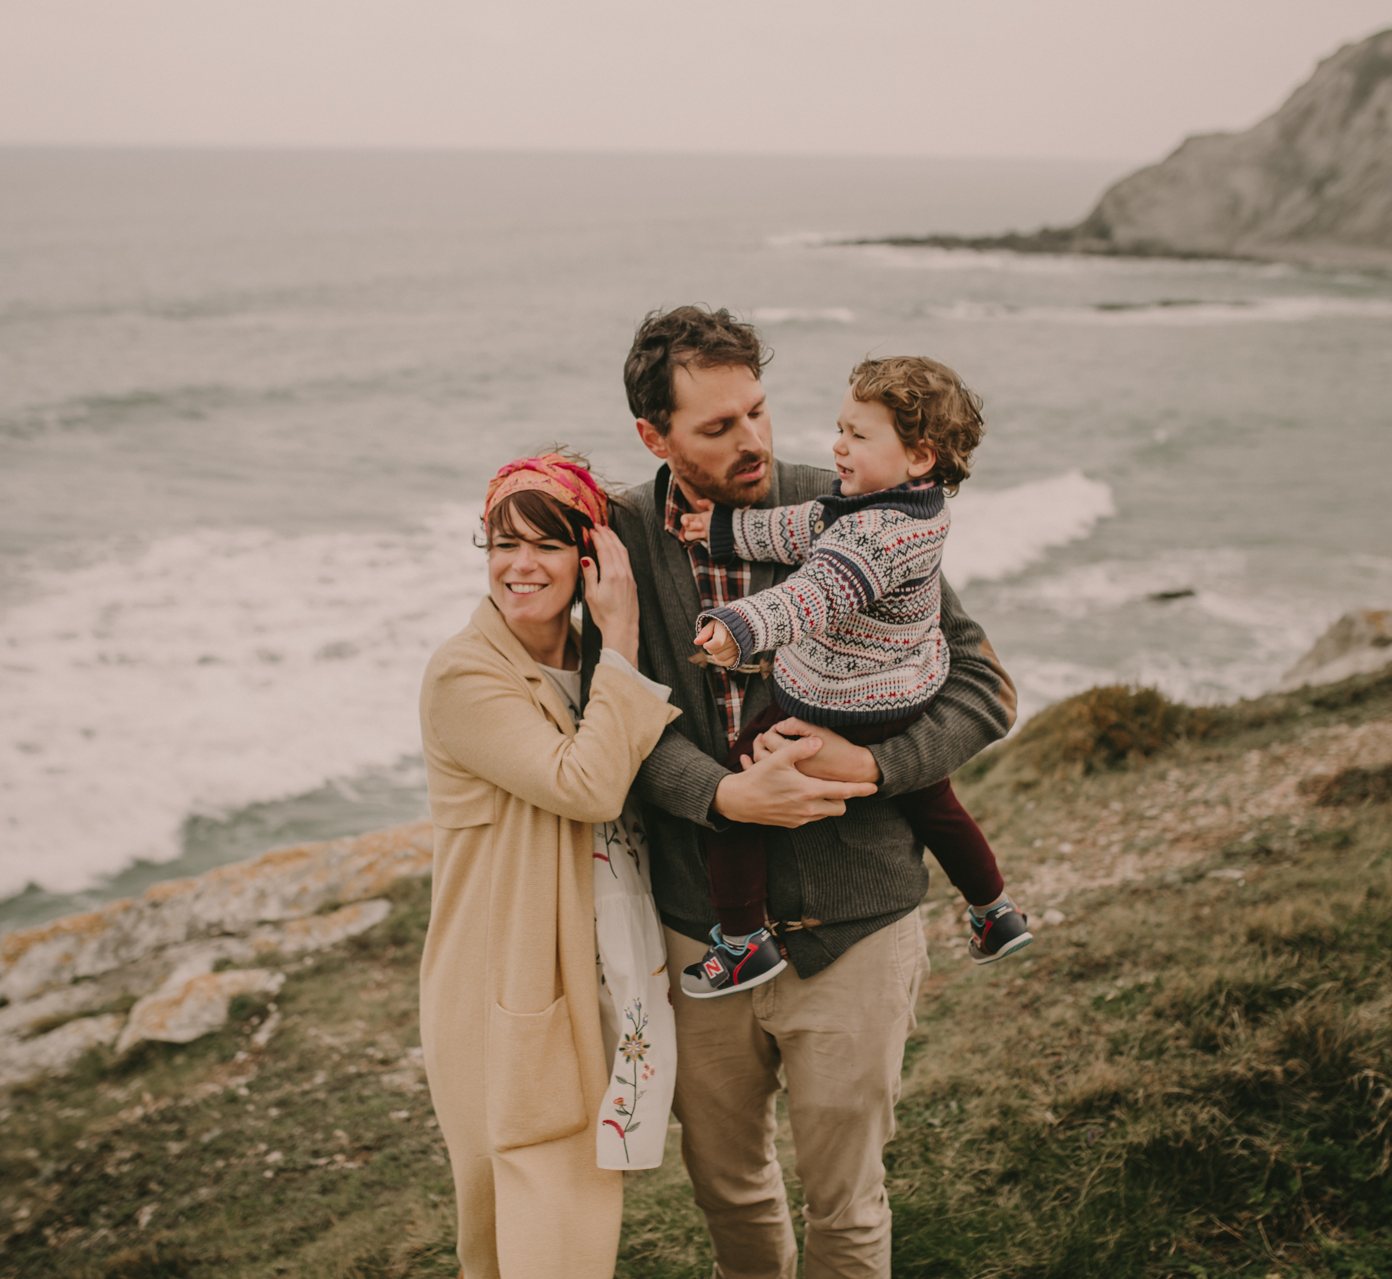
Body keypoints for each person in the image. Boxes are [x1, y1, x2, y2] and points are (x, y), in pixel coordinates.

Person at [584, 307, 1017, 1278]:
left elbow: (986, 688)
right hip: (700, 930)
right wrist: (724, 797)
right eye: (718, 426)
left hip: (860, 919)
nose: (755, 442)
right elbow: (609, 713)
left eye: (760, 411)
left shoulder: (860, 504)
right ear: (653, 436)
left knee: (849, 1206)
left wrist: (870, 768)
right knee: (728, 1190)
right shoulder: (617, 540)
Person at [676, 355, 1032, 998]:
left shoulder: (871, 539)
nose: (836, 446)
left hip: (840, 704)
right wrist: (723, 530)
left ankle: (741, 942)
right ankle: (994, 911)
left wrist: (739, 626)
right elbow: (801, 527)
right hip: (902, 696)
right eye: (839, 428)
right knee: (937, 805)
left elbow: (811, 594)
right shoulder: (904, 510)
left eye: (858, 436)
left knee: (742, 786)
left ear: (920, 456)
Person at [418, 452, 682, 1279]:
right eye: (501, 543)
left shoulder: (580, 656)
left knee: (558, 1225)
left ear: (589, 556)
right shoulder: (466, 673)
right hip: (511, 985)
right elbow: (591, 784)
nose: (519, 566)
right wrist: (628, 638)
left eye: (546, 545)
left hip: (605, 961)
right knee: (536, 1229)